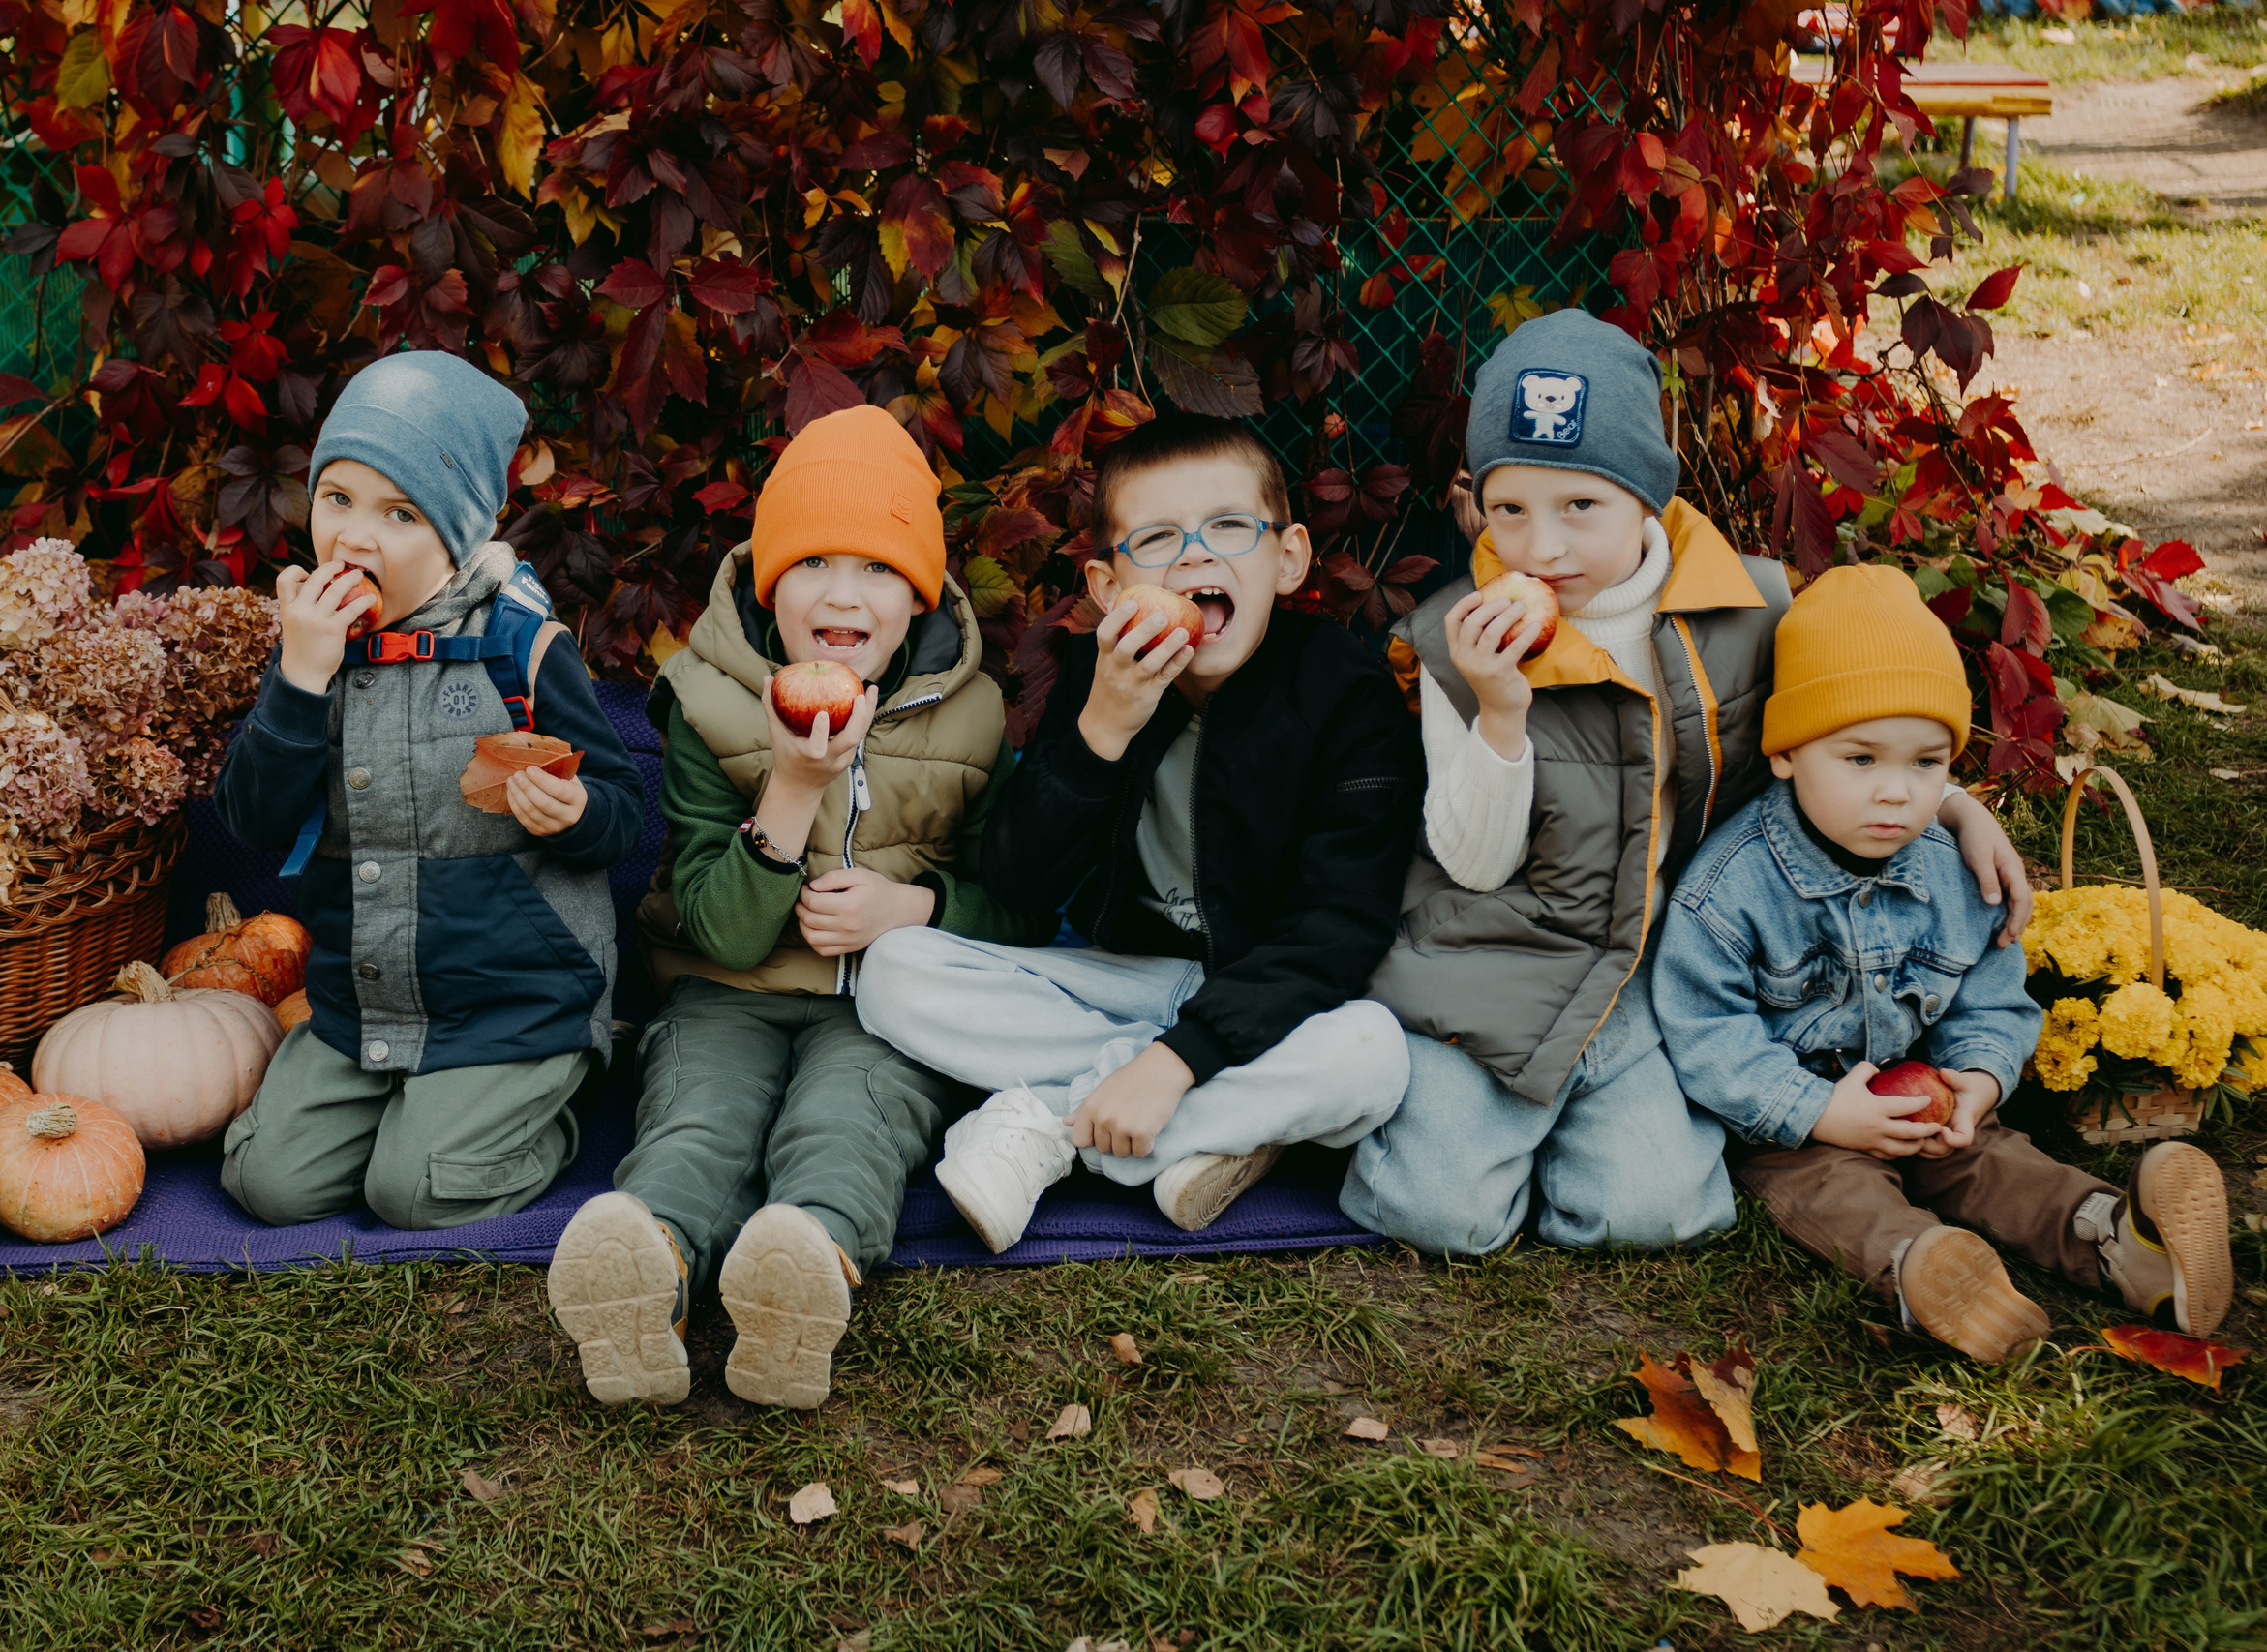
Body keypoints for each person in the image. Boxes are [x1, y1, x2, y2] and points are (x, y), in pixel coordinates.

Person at [1345, 308, 2033, 1257]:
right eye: (1509, 510)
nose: (1540, 549)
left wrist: (1952, 805)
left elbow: (1839, 738)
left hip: (1651, 972)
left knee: (1656, 1215)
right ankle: (1438, 1120)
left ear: (1646, 495)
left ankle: (1558, 1137)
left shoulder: (1750, 606)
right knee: (1442, 1219)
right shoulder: (1459, 637)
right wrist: (1499, 711)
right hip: (1487, 965)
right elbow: (1469, 863)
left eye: (1578, 507)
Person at [546, 405, 1052, 1411]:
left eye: (876, 568)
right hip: (721, 989)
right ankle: (647, 1266)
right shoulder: (704, 699)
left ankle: (802, 1265)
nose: (842, 594)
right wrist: (790, 787)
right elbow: (717, 925)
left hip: (890, 1004)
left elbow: (1022, 914)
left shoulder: (977, 709)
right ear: (768, 584)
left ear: (918, 594)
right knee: (700, 1120)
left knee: (848, 1121)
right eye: (812, 563)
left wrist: (912, 908)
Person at [855, 413, 1421, 1255]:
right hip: (1126, 979)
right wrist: (1103, 730)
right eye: (1157, 538)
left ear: (1289, 556)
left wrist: (1180, 1058)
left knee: (1373, 1054)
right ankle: (1218, 1131)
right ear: (1110, 585)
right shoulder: (1096, 679)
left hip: (1271, 999)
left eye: (1230, 526)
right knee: (893, 970)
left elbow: (1336, 928)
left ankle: (1046, 1128)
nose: (1196, 556)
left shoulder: (1349, 696)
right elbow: (1019, 883)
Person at [1654, 565, 2232, 1358]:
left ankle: (2120, 1239)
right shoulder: (1730, 888)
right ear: (1786, 753)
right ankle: (1923, 1267)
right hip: (1798, 1127)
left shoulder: (1958, 869)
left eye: (1926, 764)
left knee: (1992, 1159)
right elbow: (1706, 1032)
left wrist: (1978, 1082)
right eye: (1861, 760)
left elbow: (1991, 1000)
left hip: (1927, 1103)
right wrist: (1822, 1113)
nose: (1897, 793)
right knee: (1834, 1190)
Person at [216, 350, 645, 1231]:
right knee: (266, 1182)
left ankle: (552, 1114)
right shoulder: (313, 644)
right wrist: (298, 678)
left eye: (399, 513)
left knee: (410, 1190)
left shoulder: (519, 645)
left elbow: (623, 808)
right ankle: (406, 1106)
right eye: (337, 499)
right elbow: (253, 820)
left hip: (513, 1001)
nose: (355, 536)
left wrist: (576, 812)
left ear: (455, 533)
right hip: (369, 1001)